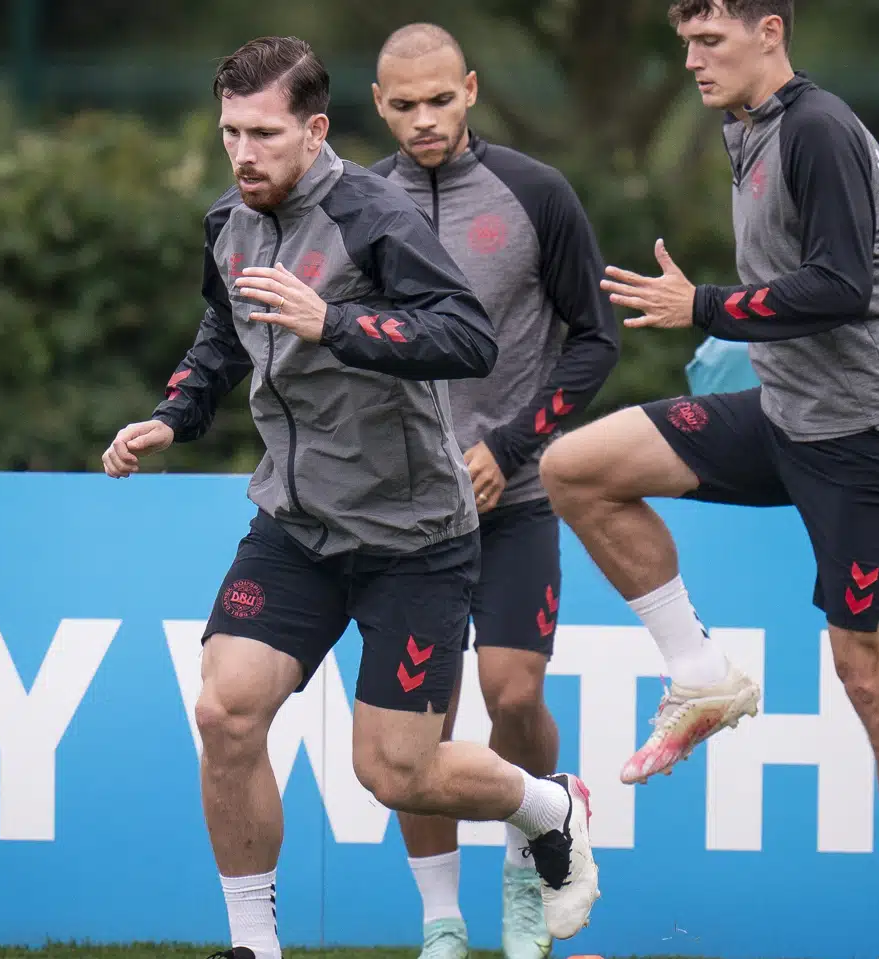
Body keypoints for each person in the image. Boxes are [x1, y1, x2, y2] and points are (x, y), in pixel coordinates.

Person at [99, 36, 599, 959]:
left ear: (316, 129)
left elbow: (466, 337)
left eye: (263, 134)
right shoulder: (229, 219)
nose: (242, 153)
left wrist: (333, 320)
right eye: (230, 132)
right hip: (295, 525)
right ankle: (254, 944)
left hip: (414, 537)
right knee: (224, 710)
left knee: (396, 772)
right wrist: (173, 415)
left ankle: (547, 805)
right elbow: (224, 330)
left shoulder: (373, 214)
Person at [540, 3, 879, 957]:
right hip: (785, 416)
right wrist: (713, 308)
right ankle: (701, 676)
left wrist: (703, 304)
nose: (693, 60)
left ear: (770, 30)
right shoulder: (750, 127)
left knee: (873, 684)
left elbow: (841, 285)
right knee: (576, 468)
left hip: (866, 440)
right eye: (685, 43)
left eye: (711, 41)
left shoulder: (817, 129)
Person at [367, 23, 620, 959]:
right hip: (404, 513)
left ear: (470, 89)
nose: (424, 120)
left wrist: (509, 448)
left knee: (513, 694)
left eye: (441, 99)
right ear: (378, 106)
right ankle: (441, 923)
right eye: (404, 105)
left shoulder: (537, 192)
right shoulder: (357, 203)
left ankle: (528, 868)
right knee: (418, 727)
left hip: (515, 497)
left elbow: (596, 338)